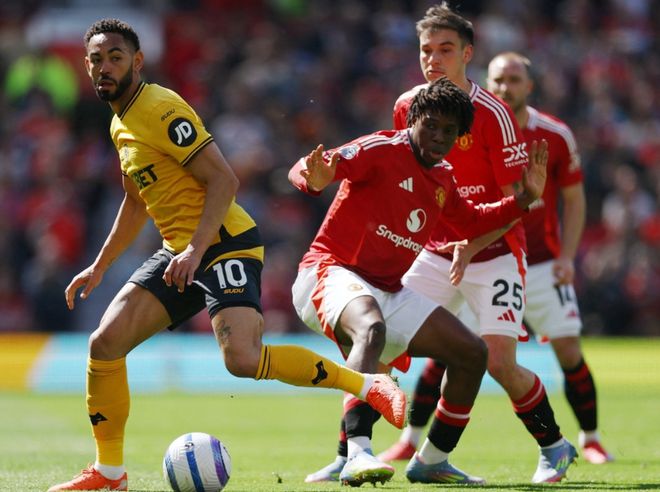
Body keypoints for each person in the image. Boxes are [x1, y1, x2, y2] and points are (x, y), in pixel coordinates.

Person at [47, 18, 407, 492]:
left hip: (223, 242)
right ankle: (110, 473)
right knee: (105, 343)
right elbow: (135, 201)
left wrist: (196, 250)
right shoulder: (120, 122)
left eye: (116, 57)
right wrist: (99, 266)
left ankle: (367, 384)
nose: (105, 67)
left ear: (138, 62)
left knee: (242, 359)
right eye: (96, 59)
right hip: (180, 250)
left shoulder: (160, 107)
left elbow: (224, 179)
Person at [312, 2, 577, 485]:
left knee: (498, 361)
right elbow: (402, 175)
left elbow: (516, 202)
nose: (433, 59)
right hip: (435, 251)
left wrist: (470, 245)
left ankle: (554, 447)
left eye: (445, 50)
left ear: (468, 54)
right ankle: (349, 452)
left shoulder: (494, 114)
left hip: (494, 252)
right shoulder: (407, 105)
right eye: (426, 50)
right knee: (379, 346)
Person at [486, 51, 614, 464]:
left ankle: (591, 438)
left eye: (514, 79)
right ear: (487, 84)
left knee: (569, 350)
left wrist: (569, 257)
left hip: (541, 262)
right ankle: (414, 440)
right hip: (489, 259)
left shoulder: (555, 135)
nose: (505, 87)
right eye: (498, 79)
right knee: (454, 351)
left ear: (530, 85)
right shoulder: (474, 129)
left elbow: (574, 199)